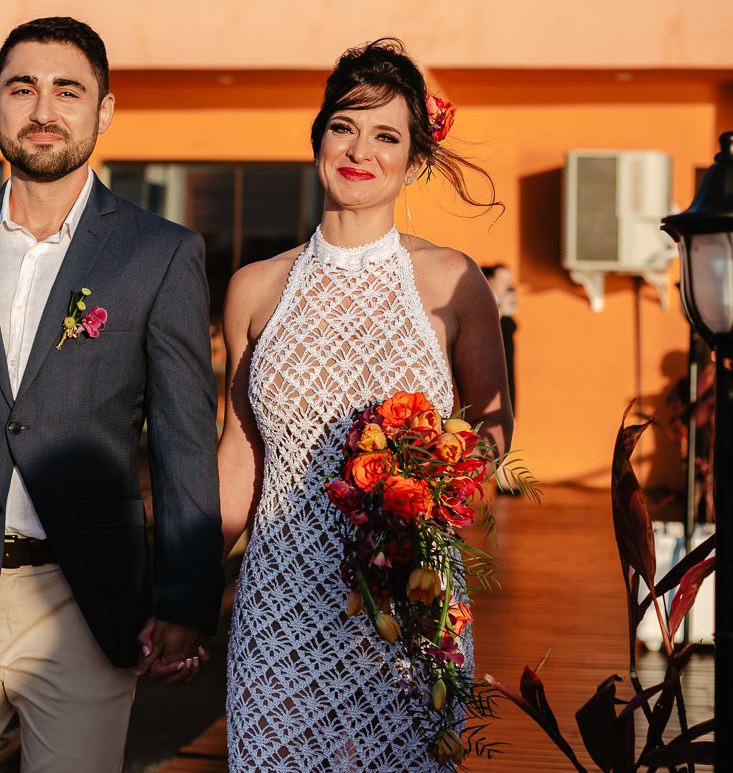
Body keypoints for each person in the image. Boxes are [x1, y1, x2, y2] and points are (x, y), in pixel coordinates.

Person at [0, 17, 224, 773]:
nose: (44, 110)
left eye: (67, 90)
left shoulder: (162, 253)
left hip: (84, 601)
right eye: (23, 88)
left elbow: (184, 439)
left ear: (104, 111)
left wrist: (187, 600)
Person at [217, 38, 513, 770]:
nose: (360, 150)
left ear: (413, 162)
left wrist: (430, 490)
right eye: (345, 126)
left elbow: (492, 428)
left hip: (406, 606)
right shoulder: (254, 289)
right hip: (279, 606)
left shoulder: (451, 282)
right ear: (319, 136)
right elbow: (240, 451)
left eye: (387, 136)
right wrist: (185, 593)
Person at [481, 263, 517, 413]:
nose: (507, 286)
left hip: (506, 361)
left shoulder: (503, 303)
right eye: (503, 281)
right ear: (490, 280)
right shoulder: (486, 303)